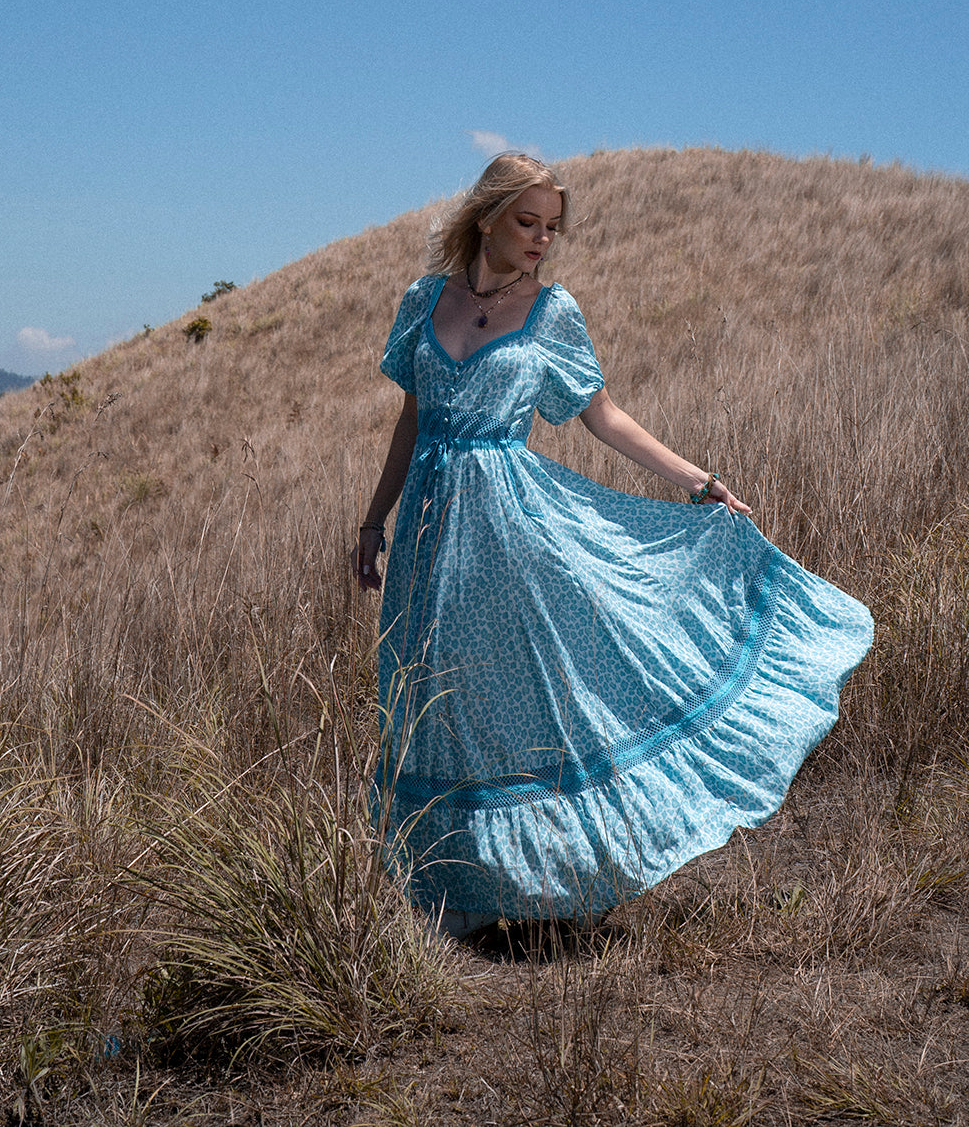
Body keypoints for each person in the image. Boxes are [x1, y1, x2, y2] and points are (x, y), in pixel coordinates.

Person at [353, 153, 873, 938]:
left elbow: (604, 415)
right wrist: (373, 520)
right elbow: (411, 419)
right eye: (527, 221)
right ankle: (451, 890)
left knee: (527, 693)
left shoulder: (552, 311)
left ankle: (553, 877)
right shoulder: (423, 301)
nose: (542, 239)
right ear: (486, 217)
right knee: (435, 695)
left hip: (512, 533)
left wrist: (697, 480)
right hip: (429, 540)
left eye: (552, 226)